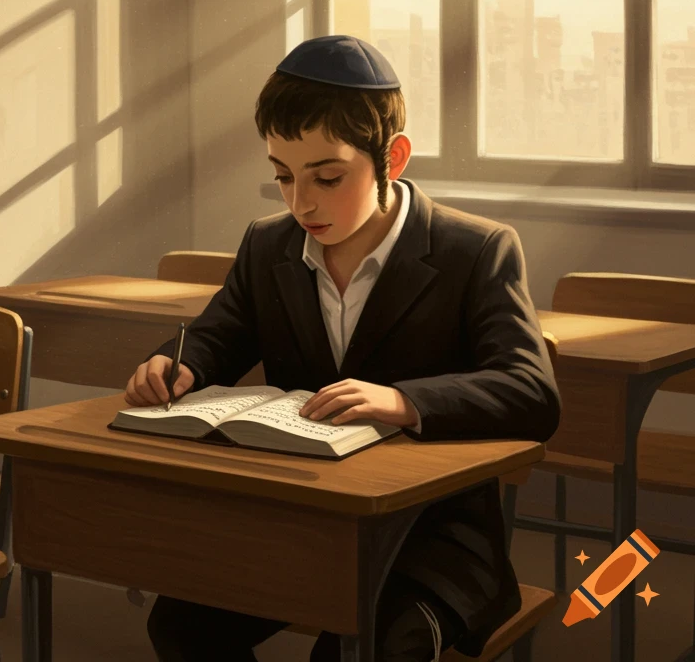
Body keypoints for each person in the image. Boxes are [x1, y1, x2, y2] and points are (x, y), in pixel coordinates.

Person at [126, 36, 560, 661]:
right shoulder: (267, 245)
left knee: (365, 650)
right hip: (305, 519)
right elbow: (220, 332)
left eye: (327, 177)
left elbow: (532, 393)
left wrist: (400, 401)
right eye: (282, 176)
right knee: (180, 627)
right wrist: (178, 363)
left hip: (430, 540)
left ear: (395, 158)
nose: (301, 202)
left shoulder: (477, 249)